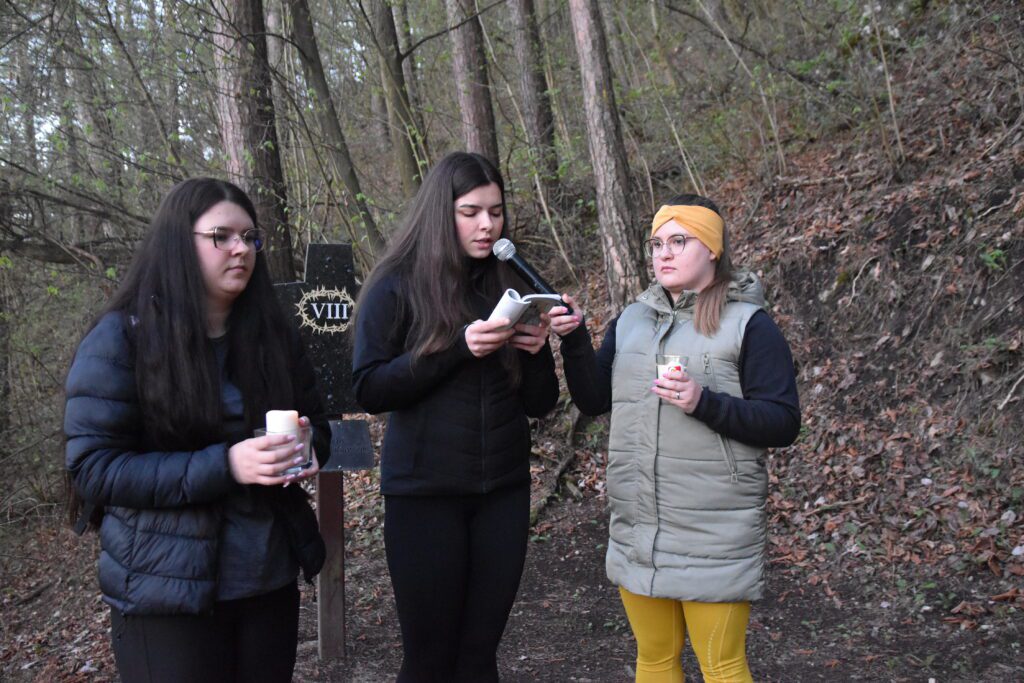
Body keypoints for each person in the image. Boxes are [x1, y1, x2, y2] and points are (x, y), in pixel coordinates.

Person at [63, 178, 331, 683]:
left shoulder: (273, 335)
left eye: (249, 237)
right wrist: (227, 465)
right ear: (178, 244)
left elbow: (317, 424)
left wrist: (307, 446)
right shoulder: (122, 338)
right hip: (164, 588)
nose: (241, 249)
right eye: (221, 236)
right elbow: (94, 469)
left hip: (267, 580)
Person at [551, 194, 800, 683]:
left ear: (712, 248)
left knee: (721, 665)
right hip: (639, 526)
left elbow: (783, 421)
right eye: (656, 243)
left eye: (679, 241)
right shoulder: (632, 320)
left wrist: (703, 402)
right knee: (655, 659)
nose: (663, 253)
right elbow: (594, 399)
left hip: (713, 532)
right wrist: (575, 339)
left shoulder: (749, 324)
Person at [352, 151, 559, 682]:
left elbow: (540, 404)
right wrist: (457, 348)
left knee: (478, 657)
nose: (487, 225)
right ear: (441, 213)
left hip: (503, 493)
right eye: (471, 212)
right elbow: (369, 388)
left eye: (496, 211)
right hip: (424, 496)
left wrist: (538, 353)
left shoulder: (510, 278)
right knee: (430, 659)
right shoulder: (395, 284)